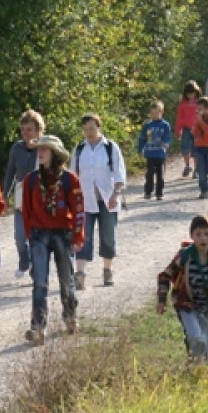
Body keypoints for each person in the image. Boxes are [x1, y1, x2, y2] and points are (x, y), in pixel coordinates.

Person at [21, 135, 85, 345]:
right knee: (39, 282)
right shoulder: (30, 179)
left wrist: (77, 235)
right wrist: (30, 234)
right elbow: (27, 211)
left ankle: (70, 317)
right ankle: (38, 327)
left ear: (55, 154)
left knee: (66, 281)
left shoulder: (69, 179)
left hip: (63, 234)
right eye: (38, 149)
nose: (40, 153)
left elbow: (78, 209)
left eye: (45, 150)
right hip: (39, 235)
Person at [156, 215, 208, 365]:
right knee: (196, 338)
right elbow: (165, 276)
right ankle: (195, 369)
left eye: (206, 234)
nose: (203, 238)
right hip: (186, 305)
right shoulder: (184, 256)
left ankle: (206, 376)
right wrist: (161, 300)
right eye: (198, 234)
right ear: (192, 236)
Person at [71, 113, 126, 289]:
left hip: (107, 199)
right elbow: (73, 176)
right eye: (86, 129)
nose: (89, 132)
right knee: (82, 237)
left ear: (99, 127)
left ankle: (107, 270)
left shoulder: (111, 148)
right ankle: (80, 274)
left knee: (108, 236)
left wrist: (116, 194)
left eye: (92, 128)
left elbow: (119, 173)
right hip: (85, 201)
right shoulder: (79, 149)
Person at [2, 110, 46, 279]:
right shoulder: (17, 148)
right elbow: (10, 172)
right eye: (23, 130)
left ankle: (37, 266)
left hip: (40, 197)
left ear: (38, 130)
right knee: (20, 235)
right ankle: (24, 260)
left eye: (29, 129)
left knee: (38, 235)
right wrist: (4, 195)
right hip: (21, 196)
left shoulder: (45, 147)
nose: (26, 133)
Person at [137, 101, 173, 201]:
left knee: (160, 175)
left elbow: (168, 137)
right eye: (152, 113)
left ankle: (159, 193)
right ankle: (148, 191)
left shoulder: (165, 125)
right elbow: (142, 138)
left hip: (160, 154)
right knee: (149, 173)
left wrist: (166, 143)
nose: (155, 115)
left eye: (157, 113)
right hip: (150, 153)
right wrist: (140, 149)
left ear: (162, 112)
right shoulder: (147, 125)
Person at [175, 81, 202, 179]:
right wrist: (178, 130)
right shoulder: (183, 104)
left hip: (197, 128)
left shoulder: (199, 102)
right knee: (185, 148)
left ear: (196, 92)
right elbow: (179, 117)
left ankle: (196, 169)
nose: (191, 95)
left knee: (196, 150)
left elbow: (204, 115)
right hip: (186, 128)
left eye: (192, 93)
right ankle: (187, 166)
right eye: (188, 93)